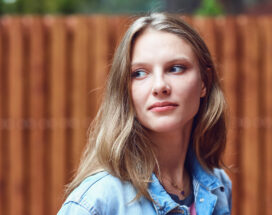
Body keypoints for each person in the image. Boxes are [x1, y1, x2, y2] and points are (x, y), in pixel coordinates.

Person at [58, 13, 231, 215]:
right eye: (139, 73)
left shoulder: (218, 186)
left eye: (175, 68)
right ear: (125, 89)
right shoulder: (97, 201)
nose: (159, 86)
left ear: (204, 82)